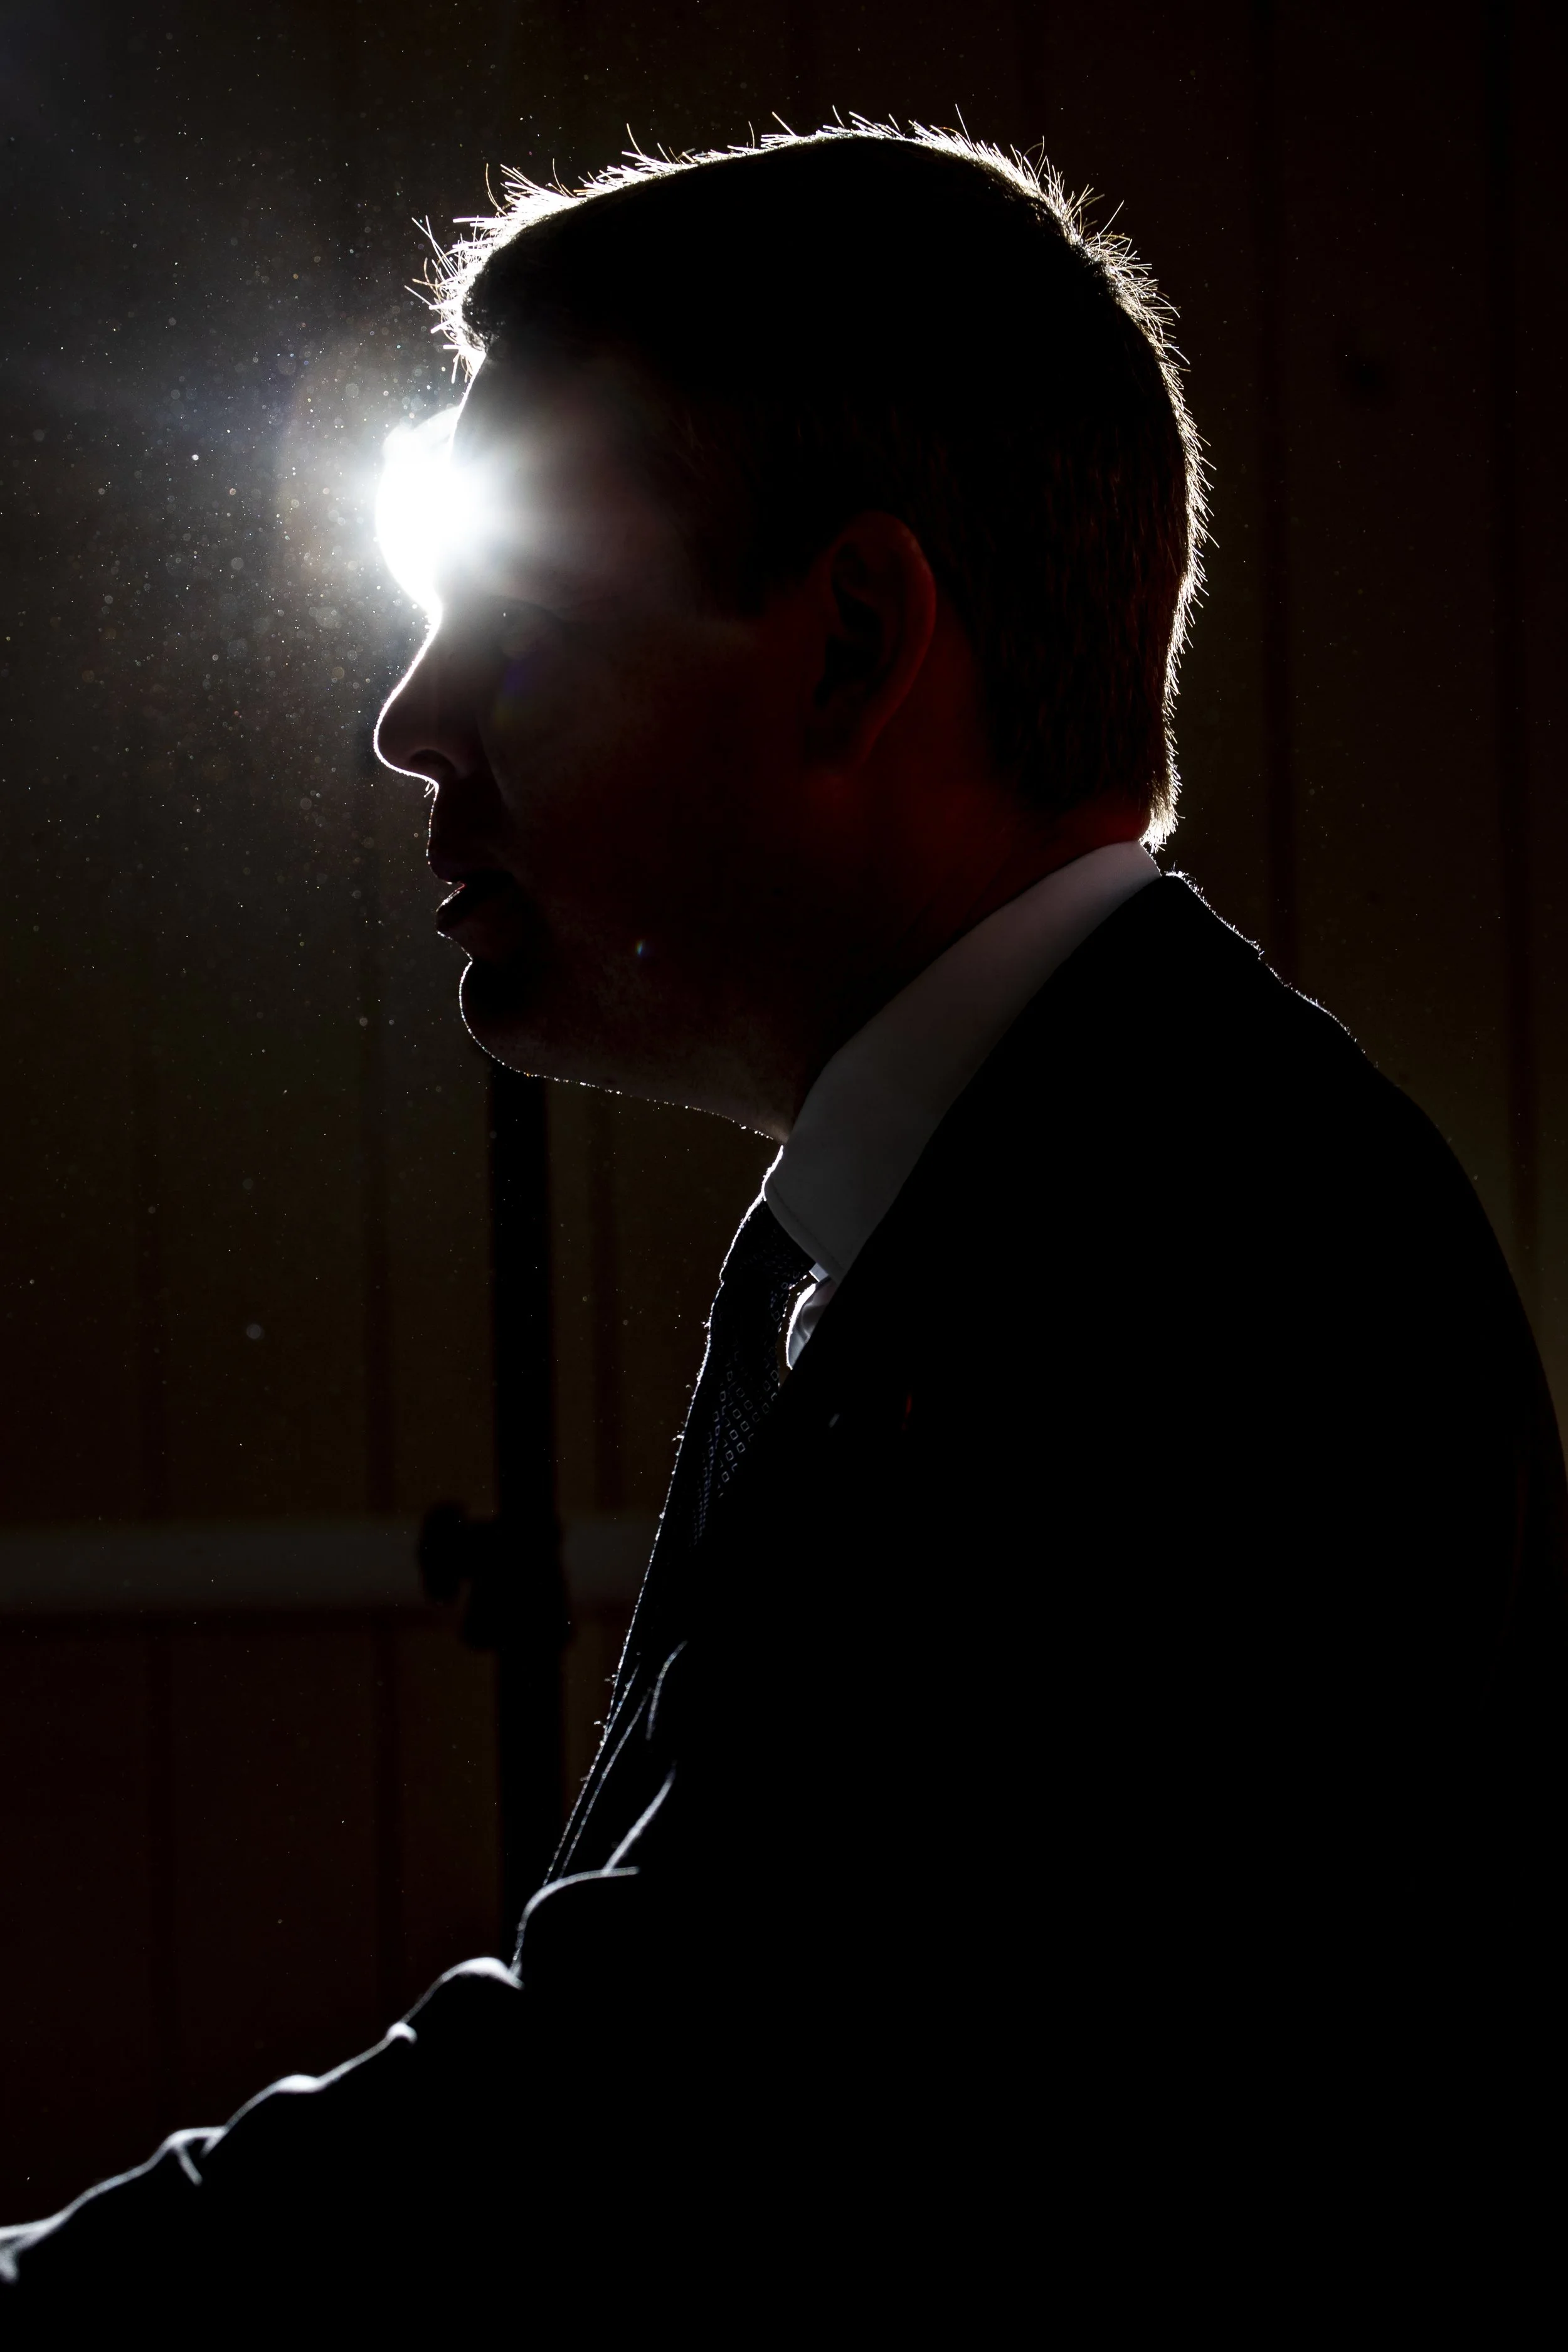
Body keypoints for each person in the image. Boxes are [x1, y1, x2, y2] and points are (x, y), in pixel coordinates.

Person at [4, 124, 1565, 2327]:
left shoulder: (1213, 1265)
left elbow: (659, 2128)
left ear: (849, 641)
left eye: (516, 610)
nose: (404, 714)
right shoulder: (965, 1204)